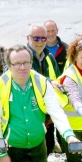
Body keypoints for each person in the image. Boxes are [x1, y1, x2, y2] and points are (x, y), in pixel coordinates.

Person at [0, 44, 79, 162]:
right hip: (15, 146)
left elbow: (56, 112)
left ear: (31, 63)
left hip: (38, 144)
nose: (23, 67)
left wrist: (69, 136)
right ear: (9, 65)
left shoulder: (42, 83)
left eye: (26, 62)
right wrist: (2, 153)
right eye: (17, 63)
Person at [28, 23, 61, 155]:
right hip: (31, 112)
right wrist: (49, 81)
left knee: (49, 144)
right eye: (36, 38)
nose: (40, 42)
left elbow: (57, 81)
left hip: (49, 110)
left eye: (43, 38)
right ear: (28, 38)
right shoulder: (22, 57)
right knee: (33, 148)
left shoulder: (49, 57)